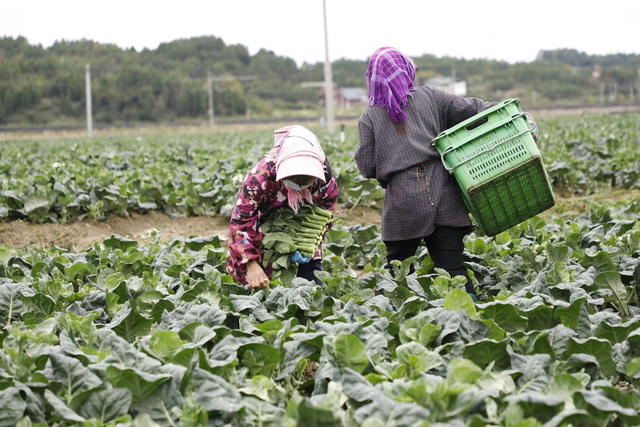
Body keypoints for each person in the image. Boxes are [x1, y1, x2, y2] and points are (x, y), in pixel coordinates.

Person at [355, 47, 499, 300]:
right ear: (406, 72)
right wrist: (514, 113)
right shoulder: (431, 97)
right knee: (454, 270)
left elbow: (367, 166)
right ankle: (470, 321)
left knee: (399, 275)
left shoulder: (371, 117)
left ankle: (399, 326)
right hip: (445, 197)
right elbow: (476, 109)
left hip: (403, 204)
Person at [227, 125, 339, 289]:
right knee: (252, 285)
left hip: (303, 235)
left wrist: (308, 248)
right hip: (260, 232)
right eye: (293, 177)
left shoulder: (325, 184)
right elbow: (241, 220)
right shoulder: (259, 179)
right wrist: (250, 262)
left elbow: (322, 220)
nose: (299, 185)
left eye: (306, 179)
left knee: (310, 287)